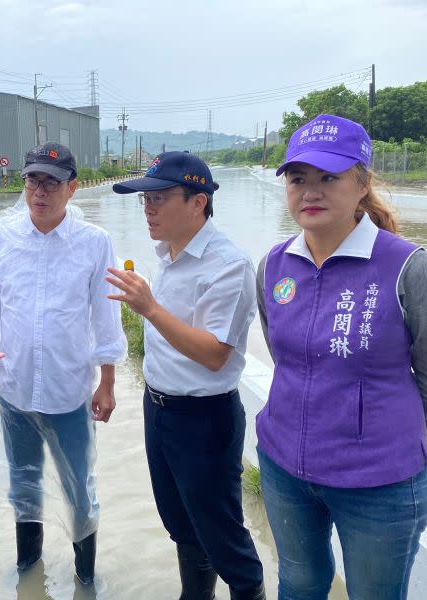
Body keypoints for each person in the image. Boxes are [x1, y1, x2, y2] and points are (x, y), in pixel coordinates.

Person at [255, 114, 427, 599]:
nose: (310, 191)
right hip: (283, 466)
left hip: (380, 482)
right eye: (298, 179)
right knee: (299, 583)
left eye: (328, 177)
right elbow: (285, 355)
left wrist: (372, 428)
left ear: (362, 183)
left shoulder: (409, 269)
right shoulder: (274, 264)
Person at [107, 151, 265, 600]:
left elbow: (215, 354)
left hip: (204, 419)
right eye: (144, 199)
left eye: (159, 198)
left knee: (224, 536)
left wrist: (150, 309)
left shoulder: (228, 264)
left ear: (198, 202)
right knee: (181, 525)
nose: (148, 209)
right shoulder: (169, 254)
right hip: (159, 411)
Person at [0, 142, 126, 585]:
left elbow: (105, 317)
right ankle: (28, 574)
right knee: (24, 488)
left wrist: (108, 382)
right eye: (32, 180)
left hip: (70, 393)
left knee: (80, 492)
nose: (40, 191)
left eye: (52, 182)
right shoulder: (2, 239)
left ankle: (86, 579)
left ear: (72, 188)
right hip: (16, 390)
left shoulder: (94, 243)